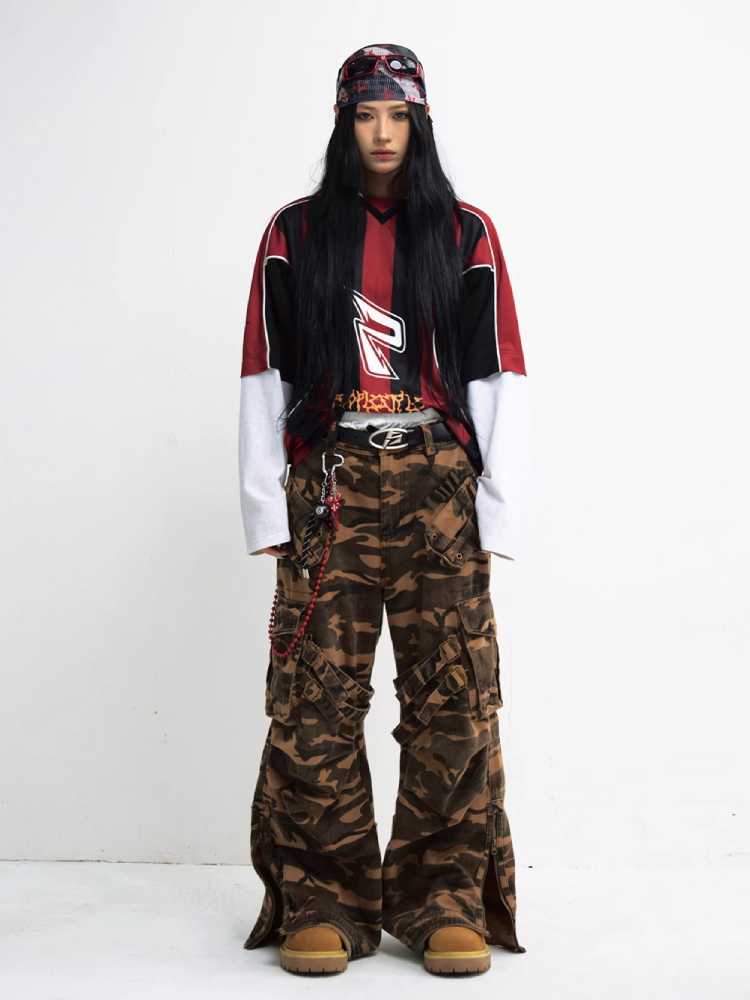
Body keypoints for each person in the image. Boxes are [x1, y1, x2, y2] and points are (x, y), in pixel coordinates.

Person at [238, 43, 529, 977]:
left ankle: (443, 897)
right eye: (366, 114)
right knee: (314, 698)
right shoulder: (295, 232)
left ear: (422, 123)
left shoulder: (466, 232)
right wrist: (266, 508)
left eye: (398, 115)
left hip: (438, 485)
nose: (382, 133)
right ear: (343, 123)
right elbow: (264, 369)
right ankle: (324, 897)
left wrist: (498, 508)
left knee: (453, 694)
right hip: (330, 480)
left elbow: (497, 371)